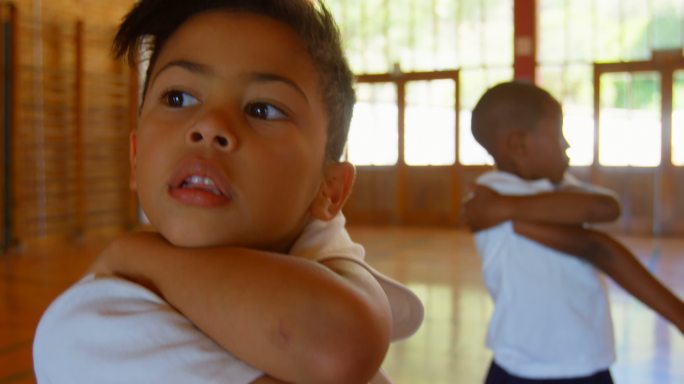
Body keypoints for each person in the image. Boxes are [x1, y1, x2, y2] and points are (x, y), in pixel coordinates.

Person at [32, 1, 423, 383]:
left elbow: (344, 338)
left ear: (329, 192)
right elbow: (337, 350)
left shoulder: (322, 249)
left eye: (262, 110)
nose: (209, 125)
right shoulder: (90, 327)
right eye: (178, 98)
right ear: (135, 158)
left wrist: (137, 255)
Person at [463, 81, 684, 384]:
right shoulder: (493, 189)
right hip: (519, 365)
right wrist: (502, 207)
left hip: (586, 361)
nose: (567, 145)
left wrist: (505, 210)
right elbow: (598, 246)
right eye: (558, 134)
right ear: (519, 145)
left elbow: (604, 208)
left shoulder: (523, 196)